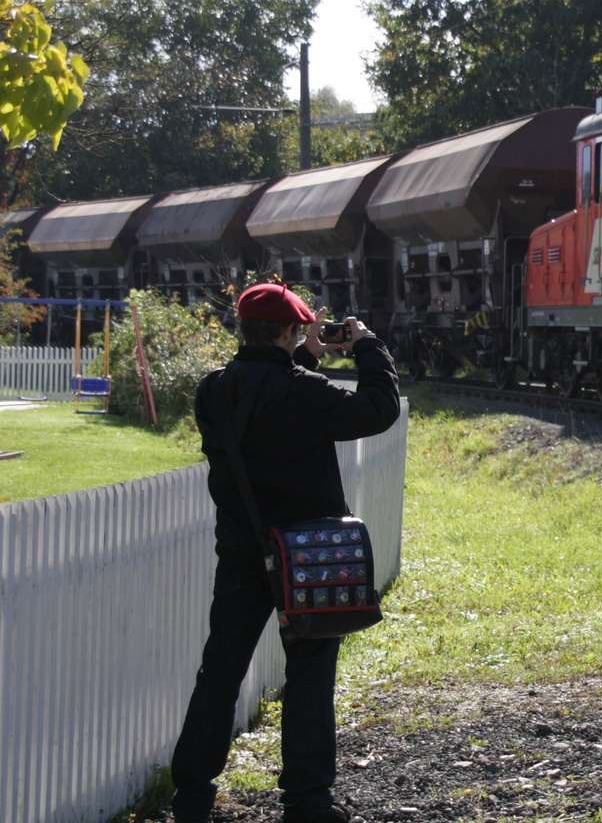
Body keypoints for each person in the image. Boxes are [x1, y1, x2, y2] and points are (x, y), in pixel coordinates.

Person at [171, 283, 400, 823]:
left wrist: (303, 354)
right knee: (310, 676)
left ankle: (192, 796)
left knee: (221, 671)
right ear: (289, 329)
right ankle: (306, 802)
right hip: (307, 557)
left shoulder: (213, 391)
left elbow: (261, 392)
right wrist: (367, 346)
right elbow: (378, 408)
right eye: (298, 330)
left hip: (243, 554)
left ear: (245, 328)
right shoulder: (305, 393)